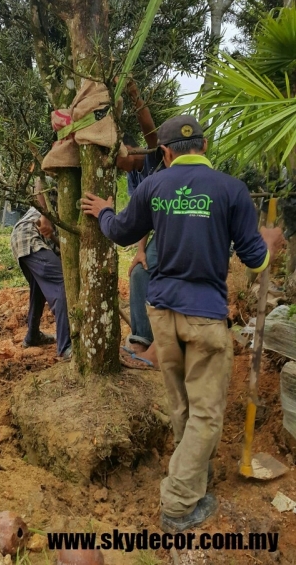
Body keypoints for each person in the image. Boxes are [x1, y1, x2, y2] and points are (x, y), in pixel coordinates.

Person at [80, 114, 283, 531]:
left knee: (182, 404)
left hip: (163, 315)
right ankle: (177, 504)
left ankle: (195, 474)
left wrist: (103, 212)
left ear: (167, 153)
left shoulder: (154, 186)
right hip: (206, 318)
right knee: (207, 414)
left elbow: (119, 232)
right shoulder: (231, 190)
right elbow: (255, 260)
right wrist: (270, 243)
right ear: (204, 147)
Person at [116, 81, 161, 369]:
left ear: (129, 148)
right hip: (160, 231)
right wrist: (140, 251)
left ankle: (156, 346)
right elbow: (142, 215)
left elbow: (151, 133)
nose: (115, 165)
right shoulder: (133, 178)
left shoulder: (152, 158)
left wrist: (135, 95)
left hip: (180, 226)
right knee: (139, 273)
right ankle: (142, 338)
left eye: (116, 156)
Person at [10, 178, 72, 360]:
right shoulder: (62, 182)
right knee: (62, 283)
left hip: (22, 238)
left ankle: (32, 336)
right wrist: (44, 215)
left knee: (40, 289)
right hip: (30, 235)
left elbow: (61, 245)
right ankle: (65, 346)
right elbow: (40, 181)